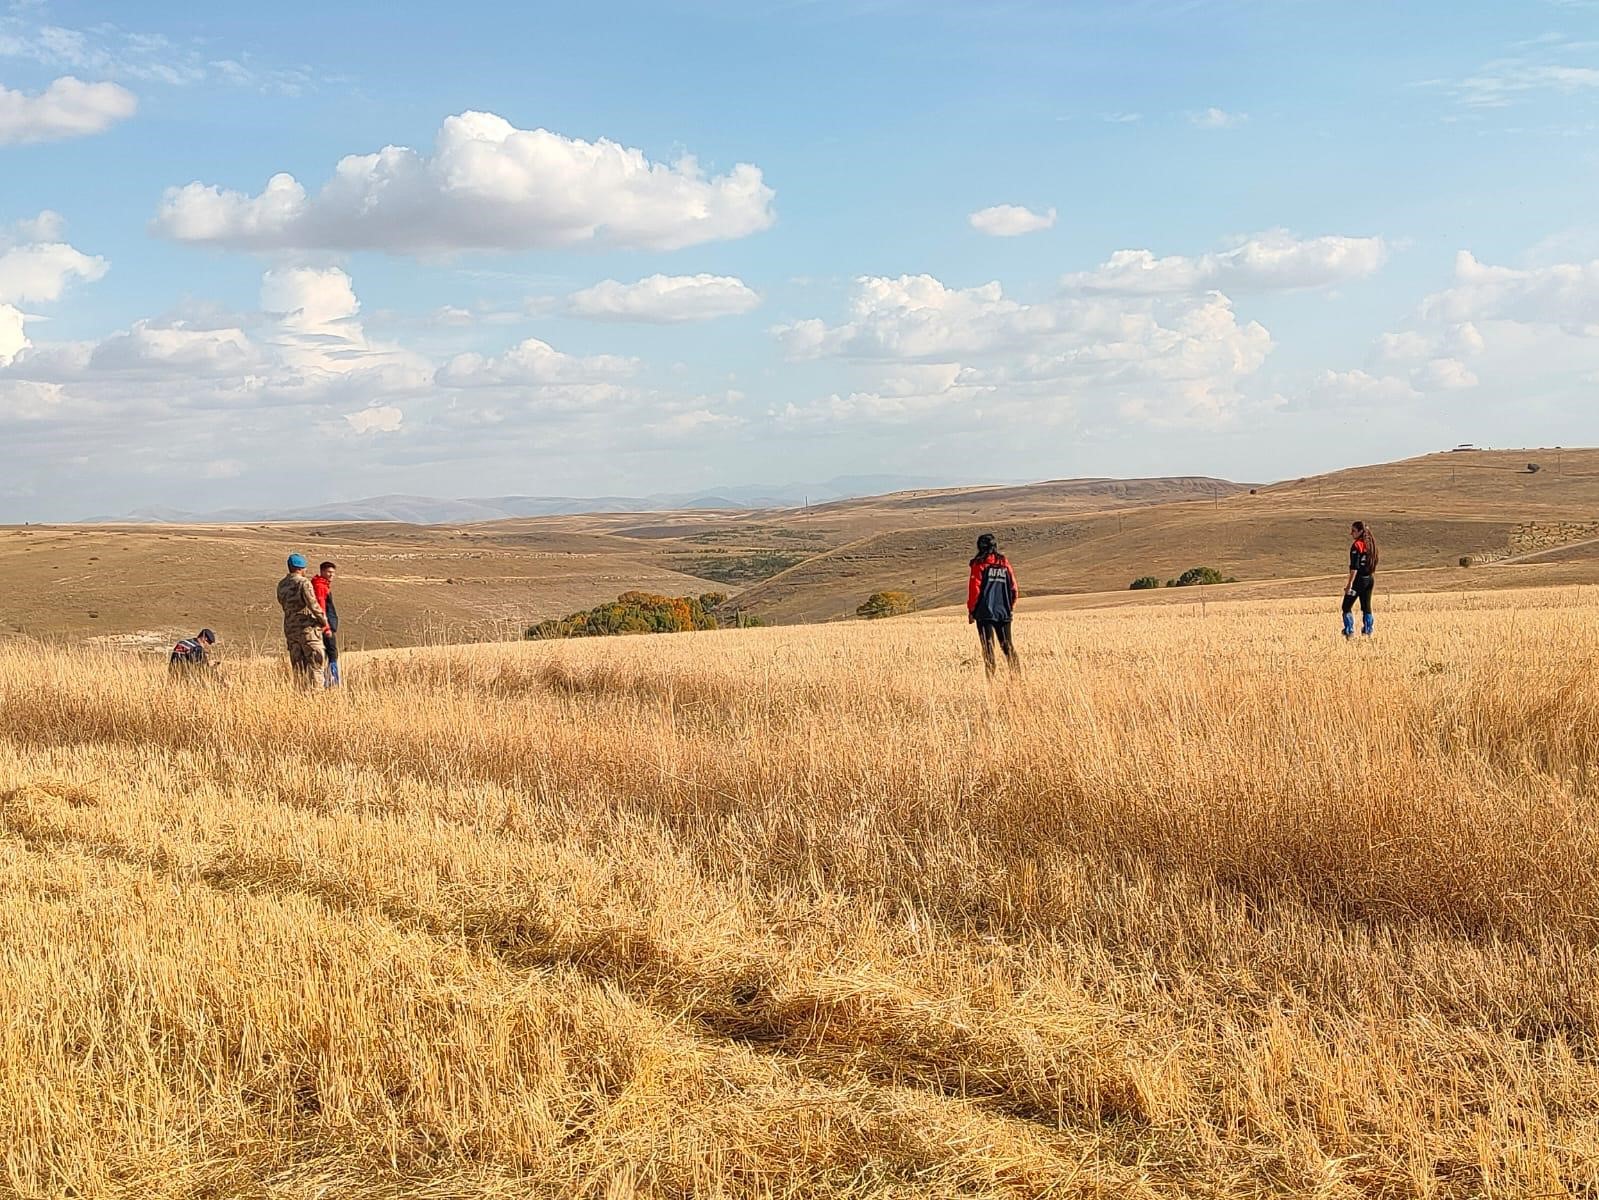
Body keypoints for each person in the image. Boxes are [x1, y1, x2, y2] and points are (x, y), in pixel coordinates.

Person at [967, 532, 1020, 676]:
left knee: (988, 649)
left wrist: (972, 610)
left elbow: (975, 589)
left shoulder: (979, 564)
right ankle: (1018, 678)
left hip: (984, 613)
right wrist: (1010, 607)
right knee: (1008, 647)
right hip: (1004, 612)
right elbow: (1014, 588)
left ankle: (991, 683)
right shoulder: (1004, 563)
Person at [277, 553, 329, 687]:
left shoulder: (281, 585)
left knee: (298, 668)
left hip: (290, 629)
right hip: (308, 630)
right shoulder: (303, 583)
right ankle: (317, 696)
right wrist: (323, 620)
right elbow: (313, 604)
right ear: (301, 568)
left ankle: (300, 696)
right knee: (316, 664)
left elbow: (282, 603)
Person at [1342, 520, 1377, 638]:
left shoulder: (1357, 545)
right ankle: (1368, 631)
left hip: (1358, 580)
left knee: (1346, 606)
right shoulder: (1371, 545)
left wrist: (1350, 584)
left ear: (1360, 531)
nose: (1351, 533)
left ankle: (1349, 631)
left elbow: (1354, 567)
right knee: (1366, 607)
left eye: (1353, 531)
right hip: (1369, 579)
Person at [312, 561, 341, 686]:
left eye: (333, 572)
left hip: (324, 626)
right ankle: (331, 682)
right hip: (325, 628)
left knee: (329, 654)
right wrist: (326, 627)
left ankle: (329, 681)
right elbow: (321, 607)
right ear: (322, 571)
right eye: (329, 572)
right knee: (332, 654)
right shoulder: (320, 586)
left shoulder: (322, 584)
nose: (331, 575)